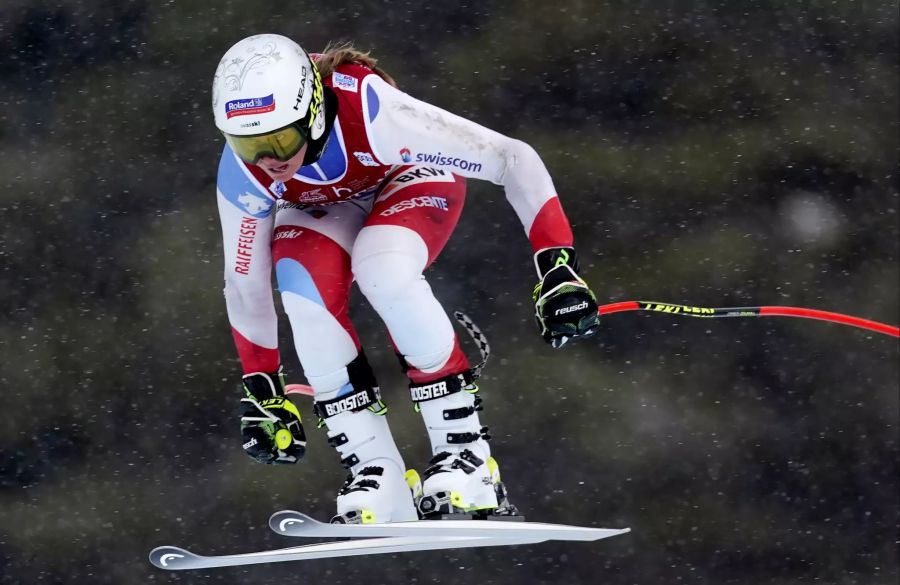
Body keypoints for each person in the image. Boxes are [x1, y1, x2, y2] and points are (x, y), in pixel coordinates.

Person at [211, 33, 600, 524]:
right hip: (325, 206)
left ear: (310, 110)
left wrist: (557, 267)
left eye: (280, 140)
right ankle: (376, 472)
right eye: (249, 144)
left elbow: (513, 159)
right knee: (299, 288)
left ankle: (468, 458)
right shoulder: (245, 172)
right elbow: (243, 282)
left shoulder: (374, 113)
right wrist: (263, 388)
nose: (270, 159)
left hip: (408, 178)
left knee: (383, 268)